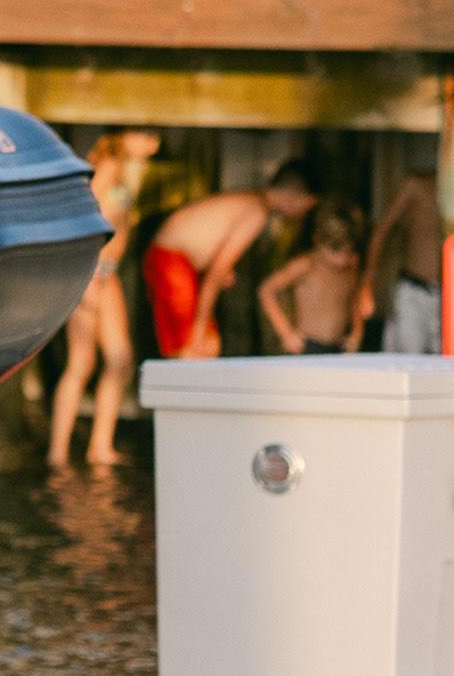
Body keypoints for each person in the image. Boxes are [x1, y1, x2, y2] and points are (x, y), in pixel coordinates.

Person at [46, 128, 162, 465]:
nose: (154, 144)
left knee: (118, 359)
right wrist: (88, 274)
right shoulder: (107, 167)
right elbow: (83, 220)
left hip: (106, 272)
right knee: (82, 363)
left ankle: (99, 445)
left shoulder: (120, 168)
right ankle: (58, 453)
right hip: (92, 271)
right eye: (147, 135)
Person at [140, 160, 305, 367]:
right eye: (307, 207)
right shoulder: (257, 211)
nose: (303, 215)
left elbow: (216, 265)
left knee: (208, 346)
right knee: (192, 347)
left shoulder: (251, 200)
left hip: (180, 262)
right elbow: (216, 273)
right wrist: (199, 326)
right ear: (296, 195)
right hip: (172, 260)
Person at [259, 196, 370, 354]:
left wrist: (357, 332)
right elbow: (266, 290)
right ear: (317, 239)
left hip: (339, 347)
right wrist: (286, 333)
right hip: (307, 347)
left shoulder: (352, 263)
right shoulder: (306, 265)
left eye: (348, 250)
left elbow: (354, 296)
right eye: (335, 250)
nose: (342, 259)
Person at [373, 161, 447, 354]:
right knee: (408, 358)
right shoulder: (416, 185)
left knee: (447, 358)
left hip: (448, 294)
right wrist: (367, 284)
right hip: (413, 289)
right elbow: (382, 230)